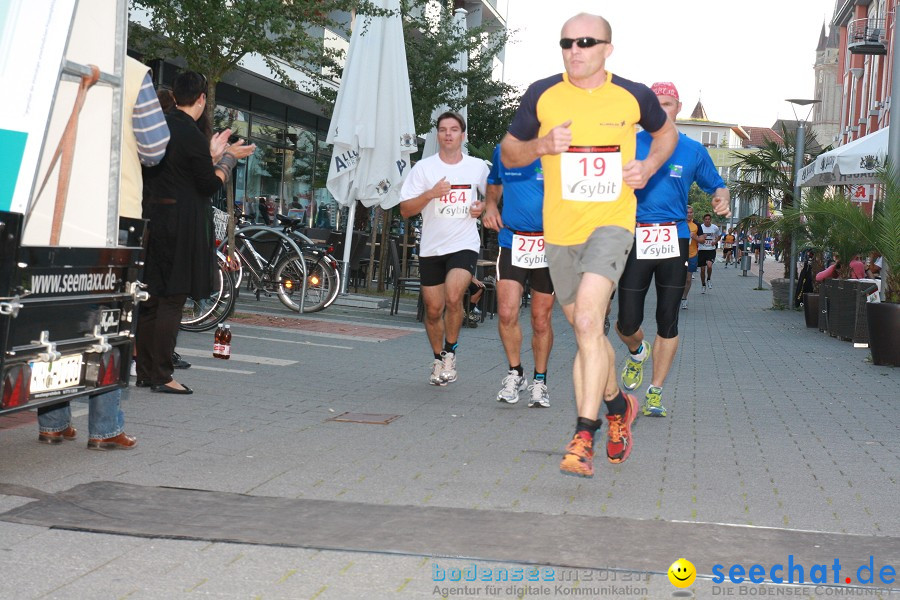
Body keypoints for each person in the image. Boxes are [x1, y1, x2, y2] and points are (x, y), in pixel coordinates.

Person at [501, 12, 679, 478]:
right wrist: (542, 145)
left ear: (607, 49)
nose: (574, 50)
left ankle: (584, 436)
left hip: (612, 224)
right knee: (588, 335)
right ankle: (619, 405)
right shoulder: (542, 94)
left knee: (585, 319)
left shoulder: (633, 94)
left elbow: (667, 134)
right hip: (559, 234)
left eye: (585, 42)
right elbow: (507, 153)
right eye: (566, 43)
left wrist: (651, 165)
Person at [37, 57, 171, 449]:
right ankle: (106, 427)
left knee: (59, 315)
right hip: (114, 213)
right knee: (109, 319)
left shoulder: (53, 49)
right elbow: (154, 148)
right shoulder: (131, 71)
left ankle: (53, 421)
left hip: (53, 210)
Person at [616, 81, 730, 418]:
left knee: (668, 318)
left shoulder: (692, 150)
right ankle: (637, 351)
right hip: (635, 236)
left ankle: (655, 391)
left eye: (666, 103)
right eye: (654, 103)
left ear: (677, 107)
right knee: (625, 321)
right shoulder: (628, 144)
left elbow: (717, 184)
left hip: (673, 237)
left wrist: (722, 197)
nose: (660, 108)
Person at [138, 70, 254, 395]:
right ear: (202, 99)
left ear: (175, 96)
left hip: (153, 218)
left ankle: (146, 370)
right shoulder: (189, 133)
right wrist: (228, 160)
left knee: (151, 298)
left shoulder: (160, 125)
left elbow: (179, 170)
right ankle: (162, 375)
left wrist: (212, 155)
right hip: (181, 223)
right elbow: (206, 183)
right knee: (172, 299)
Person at [399, 111, 488, 386]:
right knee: (434, 309)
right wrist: (430, 194)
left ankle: (451, 352)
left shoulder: (477, 167)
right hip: (432, 247)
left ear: (463, 135)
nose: (448, 134)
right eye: (443, 130)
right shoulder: (424, 169)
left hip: (464, 243)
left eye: (453, 129)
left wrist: (483, 207)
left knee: (453, 296)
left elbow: (496, 196)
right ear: (437, 135)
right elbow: (405, 210)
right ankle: (438, 358)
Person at [482, 144, 554, 408]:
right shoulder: (504, 150)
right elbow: (494, 183)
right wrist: (490, 205)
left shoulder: (559, 149)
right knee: (507, 312)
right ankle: (516, 373)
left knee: (541, 318)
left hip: (549, 243)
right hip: (513, 241)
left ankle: (540, 381)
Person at [681, 205, 701, 310]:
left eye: (691, 212)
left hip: (692, 255)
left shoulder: (697, 225)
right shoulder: (678, 224)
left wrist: (695, 237)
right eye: (687, 212)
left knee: (688, 279)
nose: (689, 214)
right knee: (679, 279)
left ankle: (684, 298)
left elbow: (702, 239)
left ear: (693, 213)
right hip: (679, 256)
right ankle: (677, 297)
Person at [697, 213, 720, 292]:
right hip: (702, 250)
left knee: (709, 266)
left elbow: (719, 235)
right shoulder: (700, 227)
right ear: (704, 220)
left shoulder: (715, 227)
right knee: (702, 270)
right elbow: (696, 237)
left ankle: (709, 279)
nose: (707, 221)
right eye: (706, 219)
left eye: (708, 219)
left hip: (711, 250)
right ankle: (703, 284)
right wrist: (701, 238)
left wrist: (715, 241)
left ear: (710, 220)